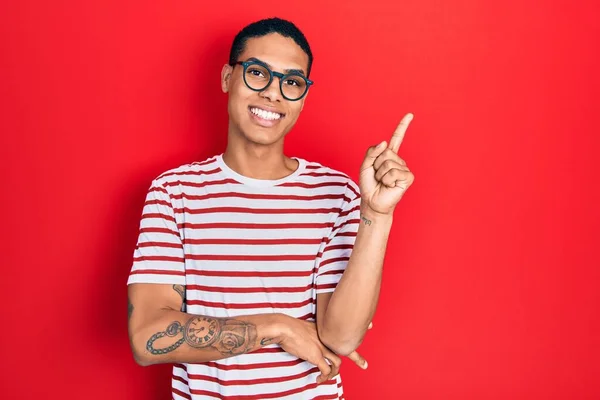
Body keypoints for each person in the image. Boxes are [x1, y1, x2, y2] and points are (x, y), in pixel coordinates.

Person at [127, 17, 414, 400]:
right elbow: (148, 337)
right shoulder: (174, 192)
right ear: (228, 78)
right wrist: (278, 327)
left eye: (292, 82)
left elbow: (341, 338)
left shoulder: (337, 193)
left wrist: (377, 215)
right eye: (257, 73)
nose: (273, 94)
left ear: (303, 98)